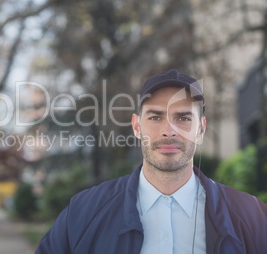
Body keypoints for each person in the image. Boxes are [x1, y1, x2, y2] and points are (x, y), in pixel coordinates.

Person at [35, 69, 267, 254]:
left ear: (201, 129)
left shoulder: (253, 218)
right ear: (137, 126)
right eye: (155, 117)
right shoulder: (83, 212)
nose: (169, 131)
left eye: (183, 118)